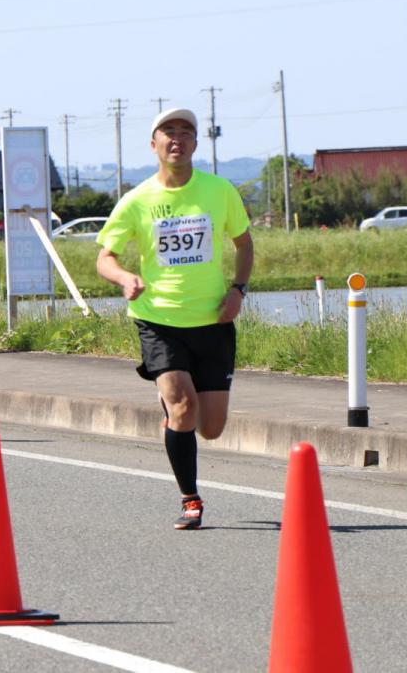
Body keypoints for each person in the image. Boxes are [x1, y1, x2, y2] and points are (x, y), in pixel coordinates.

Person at [95, 107, 253, 531]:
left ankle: (173, 413)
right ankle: (191, 500)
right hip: (158, 319)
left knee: (212, 427)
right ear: (154, 145)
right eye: (168, 132)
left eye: (186, 132)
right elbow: (104, 257)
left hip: (213, 320)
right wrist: (125, 277)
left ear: (196, 144)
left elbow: (244, 244)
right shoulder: (137, 200)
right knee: (183, 406)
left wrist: (238, 291)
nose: (177, 138)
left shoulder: (219, 191)